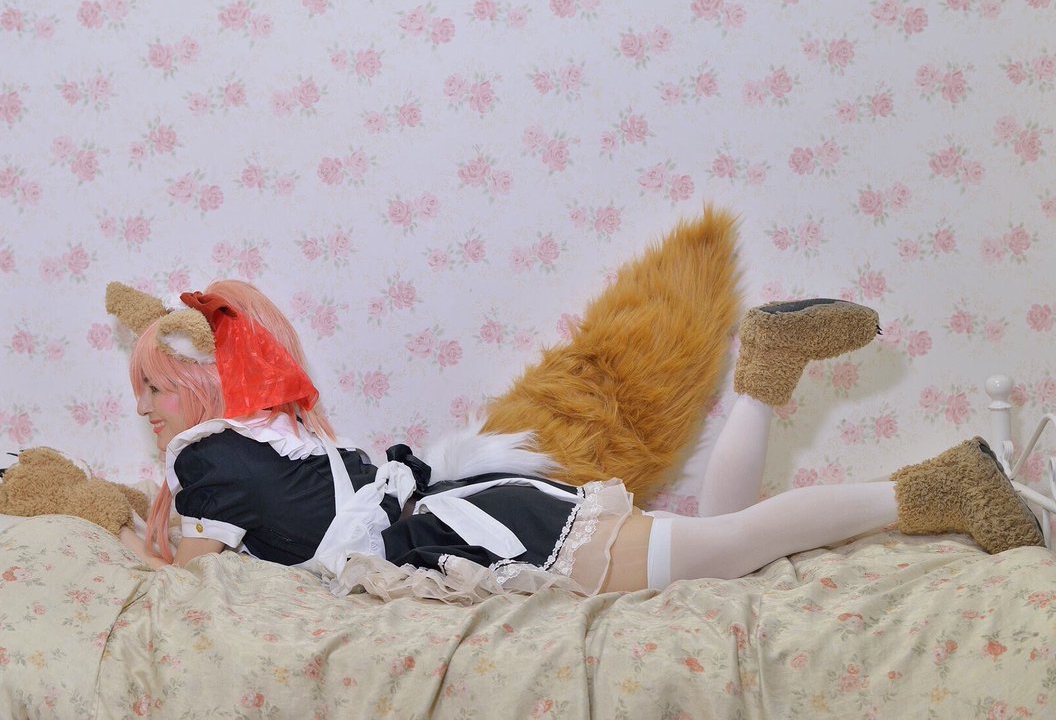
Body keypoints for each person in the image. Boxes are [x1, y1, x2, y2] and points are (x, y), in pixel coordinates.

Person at [109, 279, 1043, 601]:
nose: (147, 407)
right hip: (473, 513)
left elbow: (204, 582)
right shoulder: (278, 435)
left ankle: (930, 490)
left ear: (201, 383)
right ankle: (763, 381)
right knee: (721, 564)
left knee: (725, 547)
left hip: (467, 532)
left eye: (155, 386)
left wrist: (134, 541)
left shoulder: (204, 457)